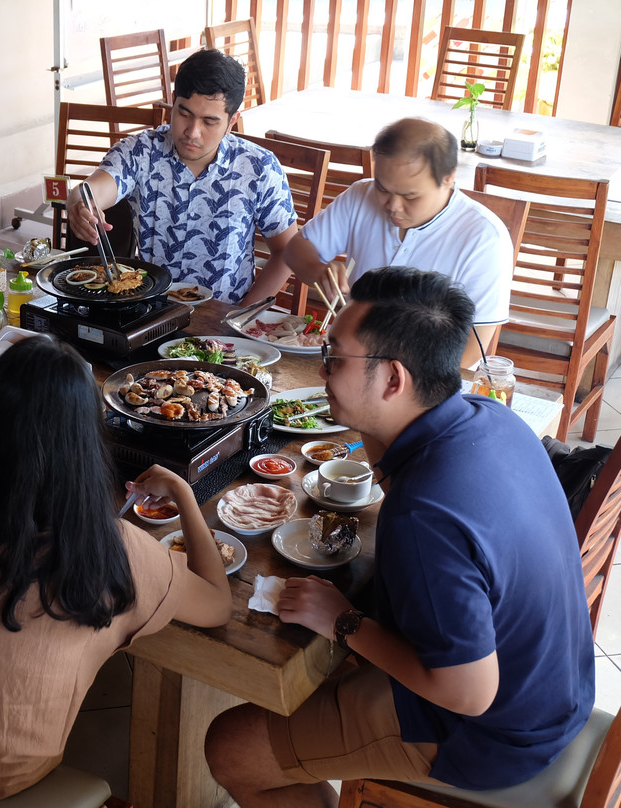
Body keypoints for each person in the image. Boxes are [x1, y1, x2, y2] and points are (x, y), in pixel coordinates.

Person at [205, 266, 594, 807]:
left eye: (334, 357)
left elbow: (469, 694)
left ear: (393, 379)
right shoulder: (488, 415)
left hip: (491, 732)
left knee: (230, 747)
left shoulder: (425, 516)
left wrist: (343, 621)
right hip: (557, 689)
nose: (322, 370)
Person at [0, 336, 233, 801]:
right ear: (88, 444)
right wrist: (185, 496)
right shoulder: (120, 551)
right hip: (6, 773)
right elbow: (217, 605)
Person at [252, 118, 513, 367]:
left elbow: (472, 349)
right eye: (383, 188)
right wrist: (319, 271)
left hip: (427, 374)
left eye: (410, 196)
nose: (393, 206)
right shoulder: (360, 196)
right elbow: (296, 250)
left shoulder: (484, 238)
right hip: (349, 357)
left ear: (449, 178)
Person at [66, 47, 297, 304]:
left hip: (226, 316)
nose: (192, 132)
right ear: (173, 103)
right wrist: (79, 204)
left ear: (232, 121)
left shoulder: (259, 168)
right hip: (152, 309)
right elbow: (92, 190)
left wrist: (240, 316)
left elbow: (287, 251)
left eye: (209, 122)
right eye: (184, 114)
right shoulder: (141, 152)